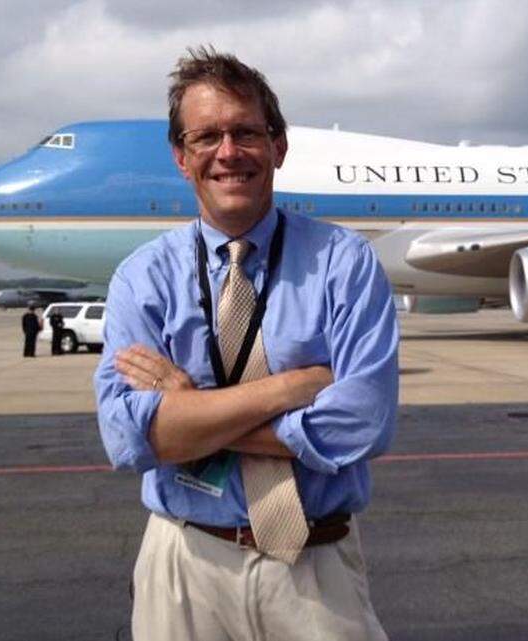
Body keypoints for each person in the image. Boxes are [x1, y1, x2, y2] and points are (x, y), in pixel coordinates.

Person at [93, 47, 397, 640]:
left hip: (315, 569)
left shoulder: (345, 263)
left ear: (278, 145)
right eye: (206, 137)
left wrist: (190, 416)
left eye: (245, 132)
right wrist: (293, 387)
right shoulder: (142, 278)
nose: (227, 152)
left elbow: (362, 425)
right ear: (182, 157)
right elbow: (131, 437)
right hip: (186, 563)